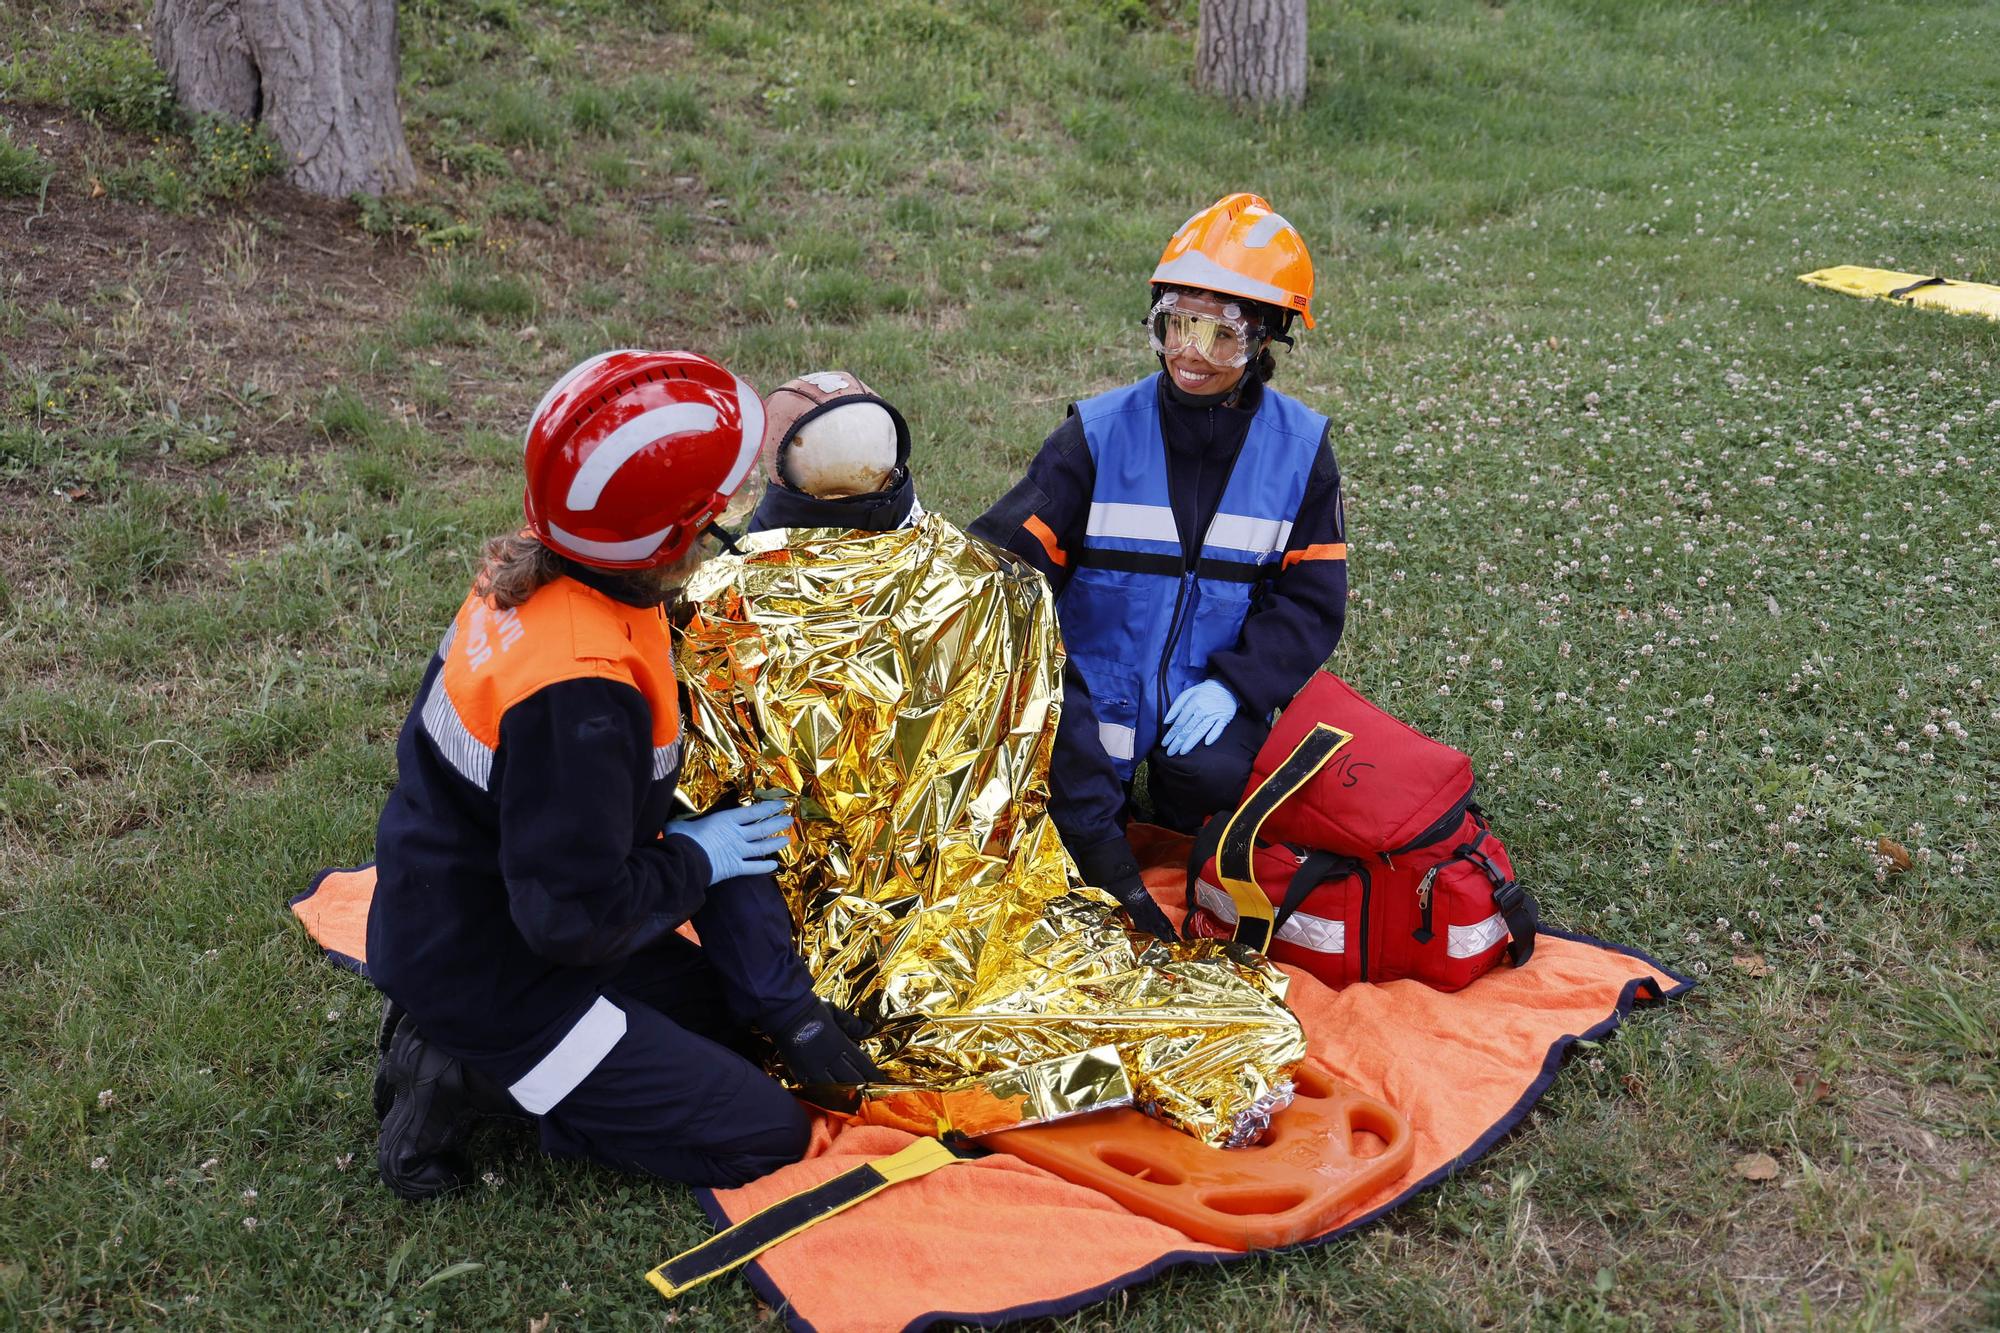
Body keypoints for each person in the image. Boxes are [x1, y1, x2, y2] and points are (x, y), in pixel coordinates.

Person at [368, 349, 877, 1202]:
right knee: (765, 1134)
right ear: (672, 536)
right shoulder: (582, 697)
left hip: (461, 913)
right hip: (508, 975)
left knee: (730, 1025)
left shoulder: (545, 568)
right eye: (720, 504)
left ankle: (466, 1036)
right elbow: (570, 917)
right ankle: (461, 1070)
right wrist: (697, 860)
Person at [970, 193, 1349, 900]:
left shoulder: (1300, 450)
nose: (1189, 355)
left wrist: (1237, 684)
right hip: (1086, 699)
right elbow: (1001, 568)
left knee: (1208, 787)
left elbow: (1312, 597)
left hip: (1205, 700)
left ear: (1264, 339)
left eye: (1219, 336)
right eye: (1174, 326)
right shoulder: (1098, 432)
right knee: (1056, 843)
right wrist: (1050, 690)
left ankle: (1172, 819)